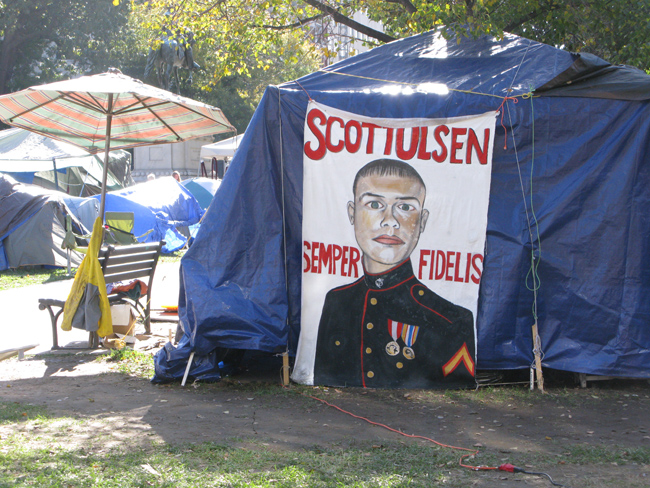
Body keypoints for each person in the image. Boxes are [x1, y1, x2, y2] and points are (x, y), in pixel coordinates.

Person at [313, 158, 476, 389]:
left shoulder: (451, 320)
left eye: (406, 207)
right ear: (352, 213)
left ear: (422, 221)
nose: (390, 221)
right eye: (374, 204)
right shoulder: (337, 301)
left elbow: (456, 402)